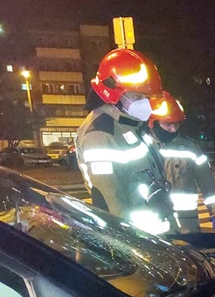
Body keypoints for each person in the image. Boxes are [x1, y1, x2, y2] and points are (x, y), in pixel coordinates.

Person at [75, 49, 177, 235]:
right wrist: (131, 242)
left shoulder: (130, 125)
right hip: (138, 239)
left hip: (158, 233)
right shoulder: (100, 133)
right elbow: (111, 198)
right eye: (137, 96)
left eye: (146, 97)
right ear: (113, 92)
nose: (144, 103)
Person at [149, 91, 215, 232]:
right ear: (153, 122)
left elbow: (207, 181)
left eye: (176, 124)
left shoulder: (191, 147)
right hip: (156, 223)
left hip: (187, 223)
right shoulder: (143, 146)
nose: (173, 129)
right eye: (167, 124)